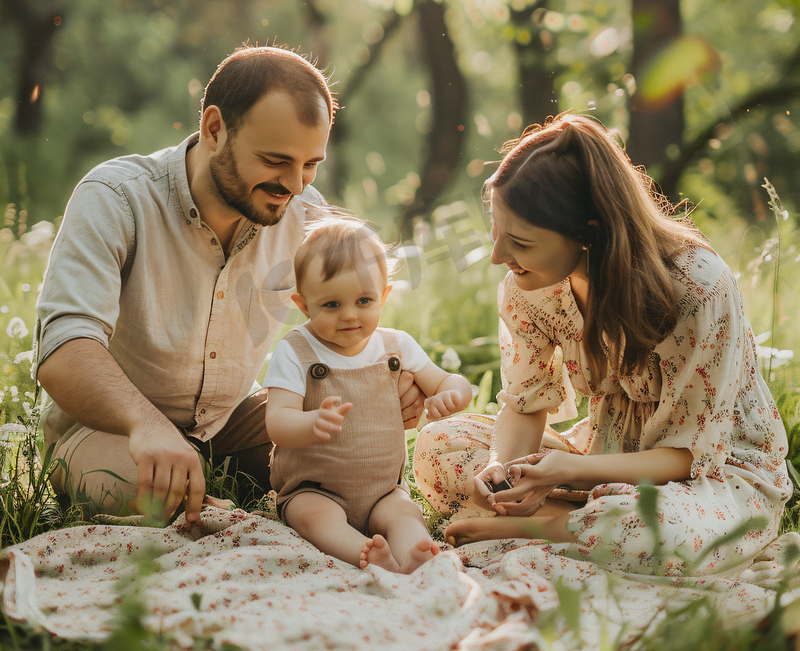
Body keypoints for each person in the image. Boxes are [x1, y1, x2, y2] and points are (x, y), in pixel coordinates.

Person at [34, 45, 424, 524]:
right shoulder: (116, 199)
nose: (296, 184)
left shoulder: (302, 212)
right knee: (154, 492)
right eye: (276, 160)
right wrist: (148, 425)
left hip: (232, 418)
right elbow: (64, 350)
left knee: (355, 446)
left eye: (310, 164)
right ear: (215, 128)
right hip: (109, 428)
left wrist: (386, 382)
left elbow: (344, 313)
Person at [413, 113, 792, 577]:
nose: (498, 256)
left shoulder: (697, 289)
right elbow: (525, 404)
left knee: (658, 528)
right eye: (496, 232)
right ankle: (580, 520)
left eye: (520, 242)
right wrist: (502, 471)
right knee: (439, 446)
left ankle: (551, 528)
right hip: (602, 451)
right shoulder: (528, 286)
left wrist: (566, 473)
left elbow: (686, 455)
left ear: (590, 231)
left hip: (713, 473)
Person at [264, 215, 473, 572]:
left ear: (384, 296)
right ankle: (366, 553)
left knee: (404, 514)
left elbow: (451, 382)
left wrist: (449, 395)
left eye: (363, 301)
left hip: (383, 490)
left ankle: (413, 556)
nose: (349, 316)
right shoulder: (295, 350)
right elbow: (277, 422)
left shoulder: (396, 346)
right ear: (304, 305)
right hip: (314, 489)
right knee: (313, 518)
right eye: (331, 305)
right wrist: (309, 422)